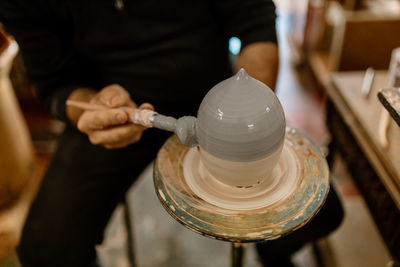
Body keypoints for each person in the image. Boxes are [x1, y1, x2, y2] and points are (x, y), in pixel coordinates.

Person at [0, 0, 343, 266]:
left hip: (214, 100)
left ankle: (273, 254)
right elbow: (55, 85)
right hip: (119, 108)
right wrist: (90, 108)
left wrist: (249, 115)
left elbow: (256, 24)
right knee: (46, 251)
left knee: (318, 213)